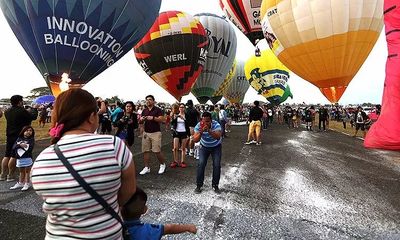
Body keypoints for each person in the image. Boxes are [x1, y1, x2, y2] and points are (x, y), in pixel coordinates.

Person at [31, 89, 136, 239]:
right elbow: (129, 190)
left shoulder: (41, 159)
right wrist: (104, 206)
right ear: (92, 116)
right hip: (106, 234)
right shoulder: (113, 145)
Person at [122, 187, 197, 239]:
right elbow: (169, 228)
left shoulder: (114, 224)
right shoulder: (147, 230)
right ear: (144, 210)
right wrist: (188, 227)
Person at [1, 95, 36, 182]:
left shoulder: (7, 111)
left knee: (7, 155)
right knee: (13, 156)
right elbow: (33, 117)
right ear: (20, 102)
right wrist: (34, 109)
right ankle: (10, 175)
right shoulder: (22, 111)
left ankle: (2, 174)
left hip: (9, 134)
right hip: (18, 136)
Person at [193, 111, 222, 194]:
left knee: (217, 165)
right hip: (204, 147)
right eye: (204, 121)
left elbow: (217, 137)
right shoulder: (199, 126)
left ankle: (215, 185)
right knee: (201, 164)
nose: (205, 123)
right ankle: (199, 185)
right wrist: (201, 132)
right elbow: (195, 139)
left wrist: (209, 130)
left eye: (207, 121)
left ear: (211, 120)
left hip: (216, 147)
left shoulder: (216, 124)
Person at [139, 95, 166, 175]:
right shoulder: (144, 110)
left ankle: (162, 164)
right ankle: (146, 167)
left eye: (150, 99)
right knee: (146, 151)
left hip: (156, 132)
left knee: (157, 151)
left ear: (154, 101)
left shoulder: (158, 110)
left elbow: (162, 119)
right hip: (146, 132)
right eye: (147, 100)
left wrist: (153, 118)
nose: (148, 101)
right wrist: (141, 120)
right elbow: (140, 122)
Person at [9, 126, 35, 191]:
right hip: (19, 159)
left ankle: (27, 183)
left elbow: (30, 148)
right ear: (23, 132)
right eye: (26, 130)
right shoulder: (19, 138)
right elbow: (14, 147)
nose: (28, 132)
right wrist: (19, 145)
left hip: (27, 158)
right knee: (21, 171)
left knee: (27, 171)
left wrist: (23, 146)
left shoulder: (31, 140)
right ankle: (20, 183)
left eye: (30, 130)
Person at [170, 103, 190, 168]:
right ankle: (175, 161)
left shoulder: (186, 115)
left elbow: (189, 123)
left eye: (182, 107)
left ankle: (182, 162)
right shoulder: (176, 115)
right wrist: (174, 117)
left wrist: (183, 119)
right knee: (175, 148)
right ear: (179, 108)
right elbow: (172, 123)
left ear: (184, 108)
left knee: (183, 148)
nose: (181, 108)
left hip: (184, 132)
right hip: (176, 132)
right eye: (180, 107)